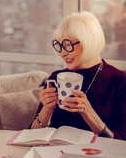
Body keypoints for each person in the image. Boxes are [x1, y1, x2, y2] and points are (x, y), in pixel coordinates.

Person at [30, 11, 126, 140]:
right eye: (59, 45)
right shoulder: (56, 77)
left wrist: (87, 111)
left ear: (89, 42)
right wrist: (47, 109)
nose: (62, 53)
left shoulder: (119, 80)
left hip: (95, 156)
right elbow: (31, 135)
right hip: (53, 154)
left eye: (68, 45)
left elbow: (120, 141)